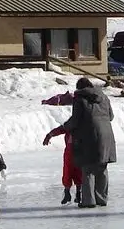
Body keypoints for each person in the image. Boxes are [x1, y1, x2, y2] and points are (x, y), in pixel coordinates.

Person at [47, 77, 116, 208]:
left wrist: (64, 127)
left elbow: (75, 121)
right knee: (102, 168)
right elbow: (111, 117)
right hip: (107, 136)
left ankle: (88, 201)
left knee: (88, 169)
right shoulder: (104, 98)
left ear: (79, 88)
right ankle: (101, 199)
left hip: (89, 137)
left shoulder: (79, 99)